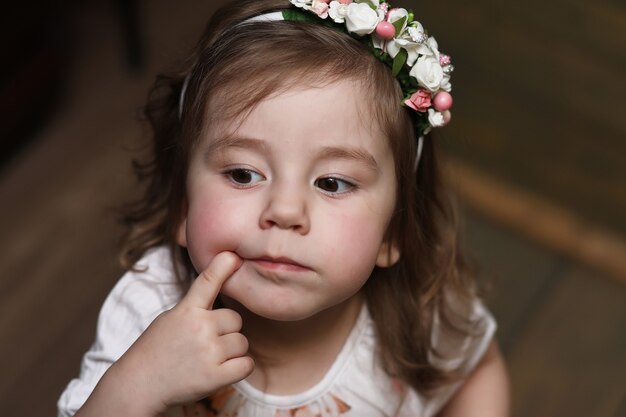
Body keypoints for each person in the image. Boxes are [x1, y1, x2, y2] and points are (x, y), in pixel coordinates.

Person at [58, 0, 509, 416]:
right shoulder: (151, 308)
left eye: (332, 183)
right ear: (182, 206)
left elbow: (477, 370)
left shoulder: (420, 313)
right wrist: (137, 385)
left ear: (392, 233)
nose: (285, 210)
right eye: (242, 174)